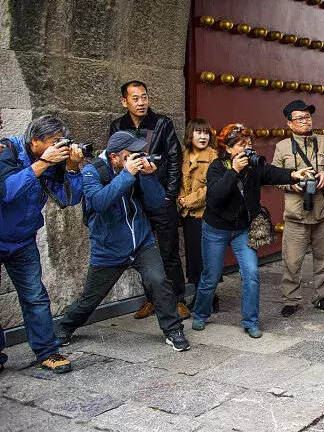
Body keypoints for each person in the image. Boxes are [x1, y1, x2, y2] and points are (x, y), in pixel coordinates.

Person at [56, 131, 190, 351]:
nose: (136, 157)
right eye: (130, 154)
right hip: (109, 248)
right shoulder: (92, 172)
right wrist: (127, 175)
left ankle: (173, 329)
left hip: (141, 241)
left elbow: (158, 203)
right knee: (91, 298)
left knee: (159, 281)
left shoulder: (135, 170)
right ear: (114, 157)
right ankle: (65, 326)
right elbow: (99, 203)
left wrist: (148, 176)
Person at [191, 124, 311, 338]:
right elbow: (215, 197)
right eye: (240, 145)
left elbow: (272, 173)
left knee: (252, 274)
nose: (247, 148)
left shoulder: (254, 166)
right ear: (228, 149)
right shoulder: (217, 167)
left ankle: (250, 321)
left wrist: (293, 174)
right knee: (211, 275)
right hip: (216, 230)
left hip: (242, 229)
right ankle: (200, 314)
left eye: (248, 144)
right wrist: (234, 171)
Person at [0, 115, 84, 373]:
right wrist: (43, 163)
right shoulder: (8, 152)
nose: (59, 146)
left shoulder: (54, 161)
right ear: (35, 141)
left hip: (23, 240)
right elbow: (7, 191)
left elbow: (70, 199)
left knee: (35, 297)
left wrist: (71, 168)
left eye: (62, 141)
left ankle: (47, 351)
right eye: (54, 141)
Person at [109, 80, 187, 320]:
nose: (141, 102)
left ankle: (178, 300)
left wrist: (170, 195)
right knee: (143, 252)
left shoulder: (162, 123)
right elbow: (113, 158)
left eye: (144, 97)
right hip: (134, 198)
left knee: (169, 251)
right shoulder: (117, 125)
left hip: (160, 196)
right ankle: (151, 300)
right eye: (135, 98)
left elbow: (175, 159)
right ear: (124, 101)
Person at [272, 100, 324, 317]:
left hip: (321, 213)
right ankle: (291, 300)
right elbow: (274, 175)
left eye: (308, 117)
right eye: (300, 118)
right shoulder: (282, 147)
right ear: (289, 123)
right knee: (292, 261)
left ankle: (322, 297)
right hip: (295, 214)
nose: (305, 121)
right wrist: (291, 183)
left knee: (323, 259)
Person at [178, 119, 218, 311]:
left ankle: (208, 298)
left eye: (206, 133)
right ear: (190, 135)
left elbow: (212, 187)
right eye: (198, 132)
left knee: (205, 257)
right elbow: (178, 181)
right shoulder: (184, 155)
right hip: (188, 215)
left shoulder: (213, 157)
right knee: (193, 257)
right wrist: (180, 199)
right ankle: (202, 295)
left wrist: (189, 200)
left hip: (204, 214)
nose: (203, 137)